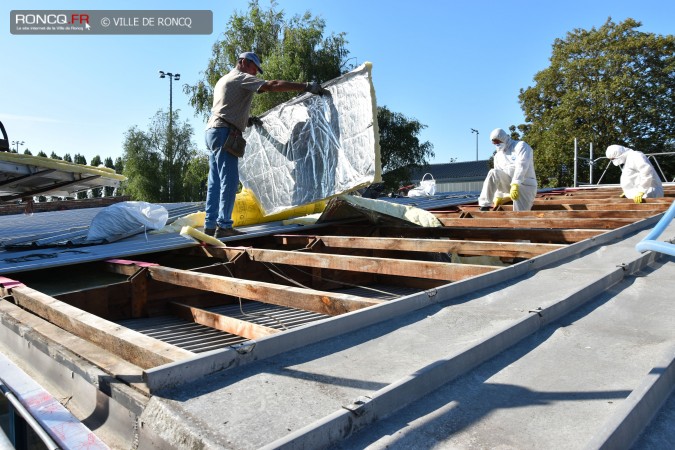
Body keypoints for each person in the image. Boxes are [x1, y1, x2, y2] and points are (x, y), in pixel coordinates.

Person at [204, 52, 326, 238]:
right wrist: (306, 86)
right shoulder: (240, 77)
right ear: (244, 62)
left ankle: (210, 226)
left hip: (212, 131)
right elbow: (271, 85)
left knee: (215, 182)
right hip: (224, 132)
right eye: (254, 68)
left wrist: (245, 120)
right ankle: (224, 226)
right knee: (229, 180)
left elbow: (228, 106)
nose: (255, 74)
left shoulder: (224, 79)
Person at [478, 128, 537, 211]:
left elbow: (522, 165)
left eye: (498, 142)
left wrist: (515, 184)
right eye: (494, 143)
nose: (497, 144)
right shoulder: (498, 156)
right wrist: (498, 196)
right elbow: (498, 178)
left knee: (521, 215)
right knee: (493, 172)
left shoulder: (520, 146)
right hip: (509, 185)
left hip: (525, 185)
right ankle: (485, 205)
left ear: (503, 138)